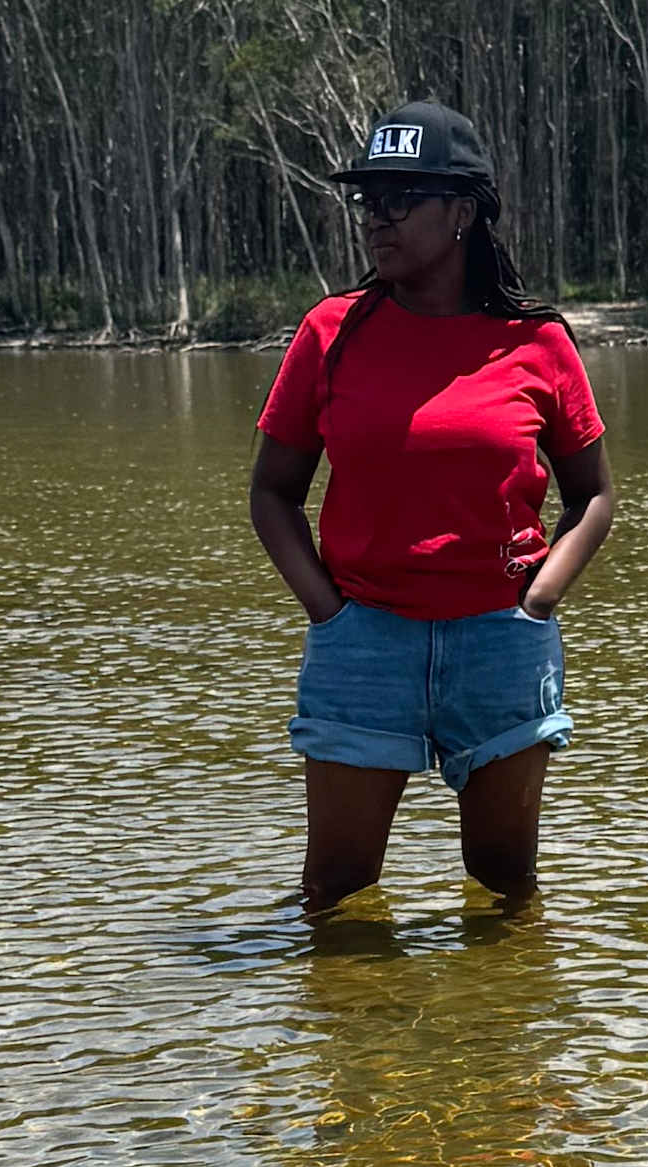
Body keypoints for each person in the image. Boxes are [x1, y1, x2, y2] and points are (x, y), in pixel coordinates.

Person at [249, 102, 616, 916]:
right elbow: (272, 492)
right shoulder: (331, 332)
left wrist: (540, 600)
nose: (376, 217)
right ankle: (352, 1045)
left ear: (461, 212)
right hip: (363, 645)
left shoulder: (535, 342)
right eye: (366, 199)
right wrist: (328, 614)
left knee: (505, 890)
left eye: (400, 197)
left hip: (501, 642)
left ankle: (494, 1042)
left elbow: (592, 495)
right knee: (333, 893)